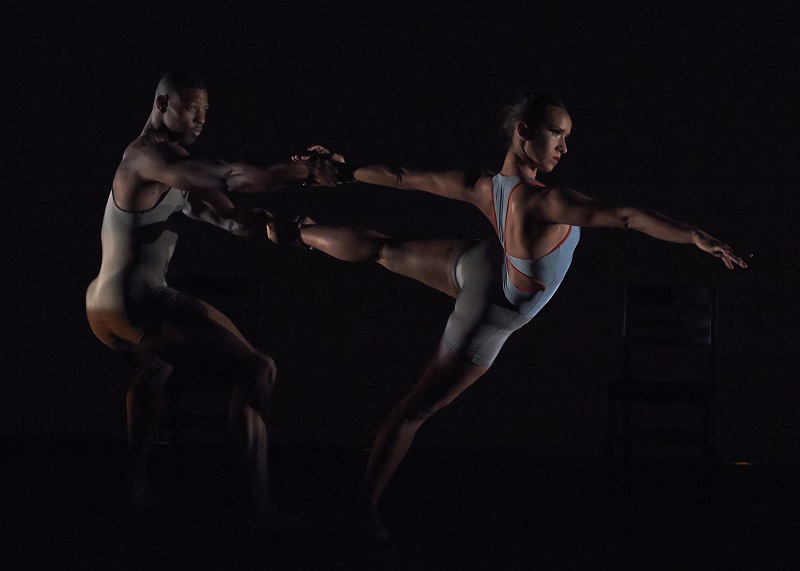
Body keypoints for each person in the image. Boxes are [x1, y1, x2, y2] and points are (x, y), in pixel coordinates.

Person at [286, 92, 748, 541]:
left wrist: (344, 171)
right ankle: (362, 512)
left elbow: (404, 176)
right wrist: (694, 237)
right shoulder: (548, 201)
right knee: (413, 411)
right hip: (493, 308)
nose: (564, 147)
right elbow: (627, 216)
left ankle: (296, 233)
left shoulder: (482, 185)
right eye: (556, 135)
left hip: (485, 266)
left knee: (387, 250)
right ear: (524, 132)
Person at [85, 69, 339, 531]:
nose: (201, 118)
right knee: (258, 369)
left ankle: (135, 488)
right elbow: (233, 177)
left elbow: (234, 220)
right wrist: (303, 170)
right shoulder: (145, 158)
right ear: (162, 105)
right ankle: (259, 510)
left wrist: (280, 228)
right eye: (191, 108)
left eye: (206, 110)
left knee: (155, 368)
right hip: (132, 302)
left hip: (109, 303)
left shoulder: (174, 168)